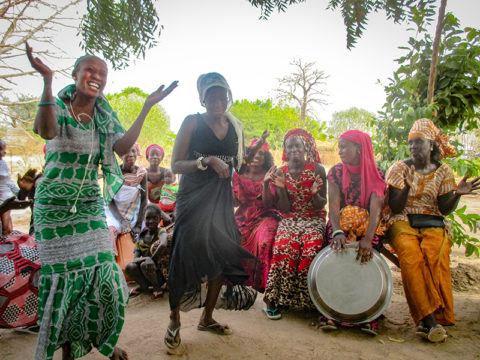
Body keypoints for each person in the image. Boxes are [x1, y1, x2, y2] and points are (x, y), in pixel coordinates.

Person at [26, 42, 177, 360]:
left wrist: (147, 106)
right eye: (90, 70)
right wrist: (47, 81)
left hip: (88, 204)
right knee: (65, 283)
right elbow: (46, 130)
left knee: (106, 275)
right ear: (76, 74)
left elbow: (121, 148)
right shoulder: (59, 107)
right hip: (54, 207)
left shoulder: (103, 116)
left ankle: (99, 340)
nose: (96, 77)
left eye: (102, 73)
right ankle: (69, 349)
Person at [165, 72, 262, 351]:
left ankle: (207, 317)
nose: (218, 101)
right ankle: (174, 319)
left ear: (228, 97)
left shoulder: (235, 126)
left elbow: (238, 166)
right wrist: (205, 161)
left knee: (223, 252)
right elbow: (175, 165)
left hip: (220, 199)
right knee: (184, 256)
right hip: (193, 198)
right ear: (202, 98)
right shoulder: (192, 122)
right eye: (212, 96)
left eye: (223, 96)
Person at [385, 118, 480, 343]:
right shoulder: (399, 168)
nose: (413, 147)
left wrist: (457, 194)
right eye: (411, 143)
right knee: (410, 256)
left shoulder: (443, 171)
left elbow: (444, 209)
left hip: (433, 220)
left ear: (432, 145)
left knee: (435, 254)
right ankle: (429, 320)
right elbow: (395, 206)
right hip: (402, 220)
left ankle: (436, 315)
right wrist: (407, 186)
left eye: (419, 142)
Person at [322, 129, 386, 335]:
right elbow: (333, 207)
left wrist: (368, 238)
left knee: (368, 256)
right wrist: (337, 232)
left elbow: (375, 211)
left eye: (344, 146)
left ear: (359, 149)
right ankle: (330, 312)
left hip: (367, 225)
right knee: (335, 254)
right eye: (339, 146)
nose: (340, 151)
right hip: (341, 223)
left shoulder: (377, 174)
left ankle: (367, 314)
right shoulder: (336, 173)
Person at [264, 128, 327, 320]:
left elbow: (321, 203)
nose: (293, 150)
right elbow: (284, 208)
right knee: (283, 247)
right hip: (290, 218)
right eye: (289, 147)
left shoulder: (318, 169)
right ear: (285, 149)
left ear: (305, 147)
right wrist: (282, 189)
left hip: (313, 217)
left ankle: (309, 300)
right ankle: (275, 299)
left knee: (311, 250)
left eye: (297, 146)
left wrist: (315, 193)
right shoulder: (280, 171)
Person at [232, 137, 280, 297]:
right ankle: (236, 282)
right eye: (254, 153)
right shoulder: (239, 173)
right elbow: (237, 202)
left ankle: (265, 287)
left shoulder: (270, 173)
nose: (258, 156)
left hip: (266, 214)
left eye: (262, 153)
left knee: (265, 240)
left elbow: (268, 203)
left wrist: (266, 183)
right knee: (231, 237)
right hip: (244, 216)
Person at [105, 143, 147, 276]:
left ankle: (143, 266)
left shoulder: (141, 173)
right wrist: (121, 220)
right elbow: (109, 199)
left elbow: (144, 199)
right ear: (121, 155)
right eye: (127, 152)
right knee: (110, 230)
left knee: (147, 230)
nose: (131, 155)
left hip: (135, 209)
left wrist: (139, 224)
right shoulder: (114, 172)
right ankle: (111, 269)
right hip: (115, 210)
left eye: (134, 151)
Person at [125, 204, 168, 299]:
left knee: (144, 265)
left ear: (159, 219)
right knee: (129, 267)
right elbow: (135, 259)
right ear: (144, 219)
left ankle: (157, 286)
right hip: (146, 271)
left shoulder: (161, 231)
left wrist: (151, 260)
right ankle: (144, 286)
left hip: (159, 273)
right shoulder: (140, 238)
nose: (151, 221)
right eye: (148, 218)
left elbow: (163, 244)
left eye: (155, 218)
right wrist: (147, 258)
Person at [0, 139, 20, 235]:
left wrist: (19, 193)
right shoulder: (2, 164)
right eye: (1, 150)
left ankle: (5, 233)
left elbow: (9, 181)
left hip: (4, 196)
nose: (4, 152)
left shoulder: (2, 163)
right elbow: (9, 182)